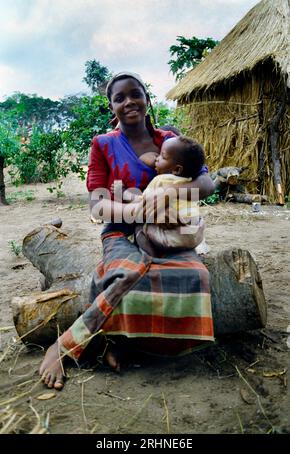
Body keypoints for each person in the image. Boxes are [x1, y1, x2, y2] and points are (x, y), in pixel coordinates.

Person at [39, 71, 215, 389]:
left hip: (168, 234)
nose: (129, 101)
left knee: (195, 276)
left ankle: (126, 344)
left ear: (147, 98)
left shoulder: (170, 140)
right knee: (127, 274)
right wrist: (133, 210)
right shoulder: (103, 144)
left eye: (135, 94)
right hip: (121, 231)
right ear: (112, 107)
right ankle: (63, 345)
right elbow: (97, 204)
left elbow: (206, 182)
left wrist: (170, 193)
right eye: (119, 98)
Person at [111, 135, 206, 256]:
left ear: (177, 169)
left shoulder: (161, 180)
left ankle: (150, 257)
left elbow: (143, 203)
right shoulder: (190, 182)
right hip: (195, 234)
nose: (156, 159)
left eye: (162, 156)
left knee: (140, 228)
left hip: (175, 234)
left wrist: (123, 192)